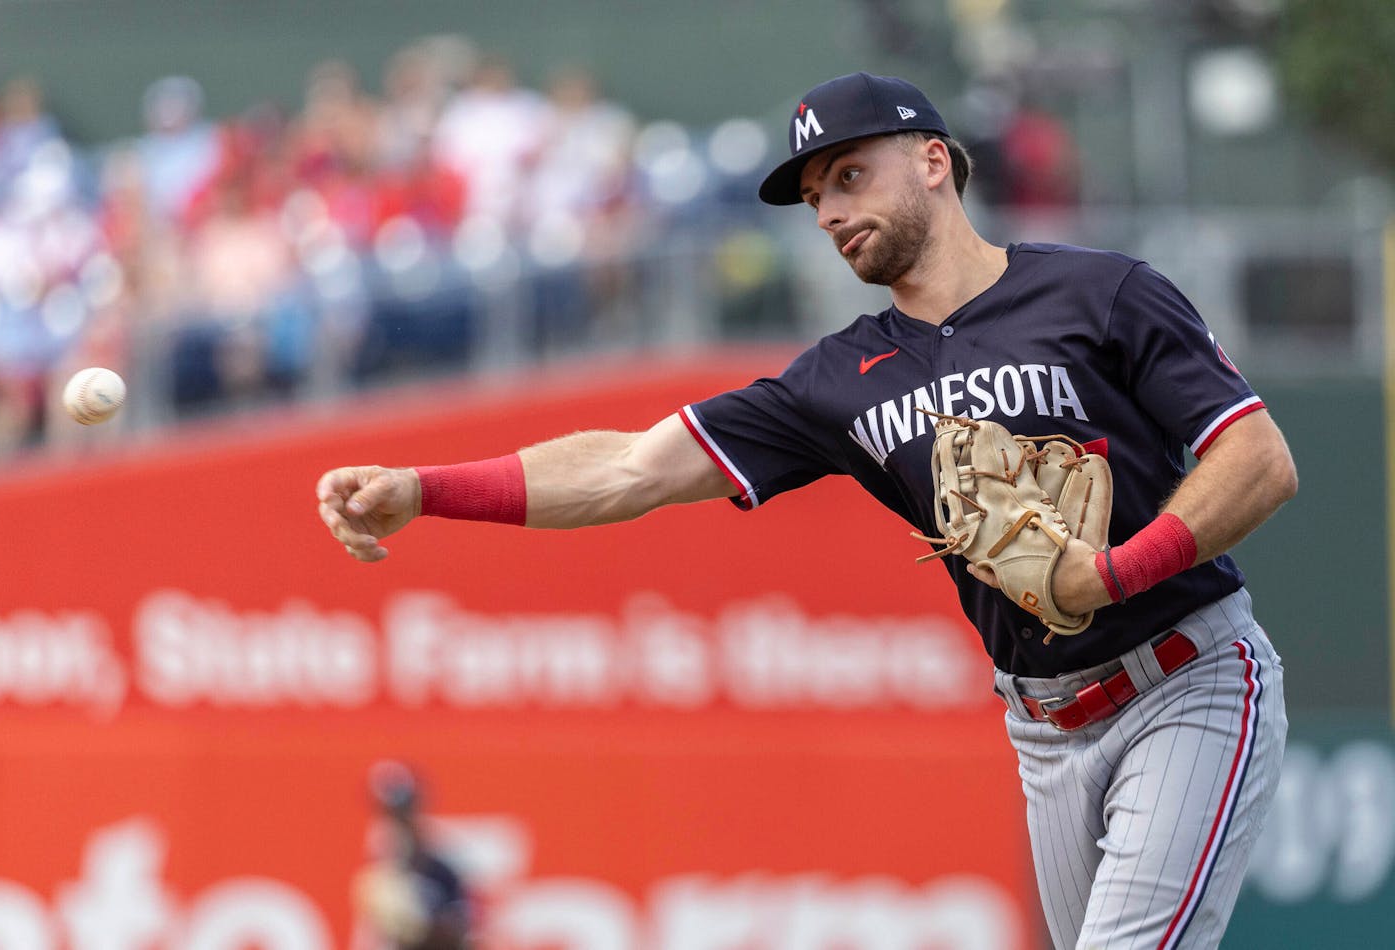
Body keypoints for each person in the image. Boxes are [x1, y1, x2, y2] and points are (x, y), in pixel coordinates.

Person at [318, 72, 1297, 948]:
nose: (827, 210)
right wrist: (426, 487)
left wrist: (1116, 569)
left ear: (928, 161)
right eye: (814, 194)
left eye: (847, 175)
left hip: (1184, 679)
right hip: (1042, 729)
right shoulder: (839, 379)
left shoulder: (1101, 292)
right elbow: (629, 467)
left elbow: (1255, 457)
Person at [351, 760, 471, 950]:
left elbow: (460, 932)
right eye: (390, 816)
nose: (398, 825)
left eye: (405, 814)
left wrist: (424, 928)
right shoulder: (375, 879)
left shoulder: (442, 871)